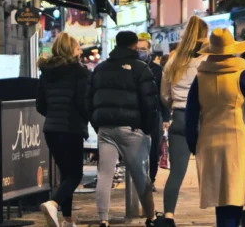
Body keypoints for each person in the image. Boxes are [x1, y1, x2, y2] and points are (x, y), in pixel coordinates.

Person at [186, 29, 245, 227]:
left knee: (220, 202)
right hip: (237, 142)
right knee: (234, 199)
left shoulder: (200, 77)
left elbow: (191, 116)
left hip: (208, 142)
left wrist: (193, 145)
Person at [87, 31, 157, 227]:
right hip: (132, 129)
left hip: (106, 129)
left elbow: (89, 100)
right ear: (134, 45)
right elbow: (150, 102)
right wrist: (147, 128)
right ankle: (151, 217)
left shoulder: (100, 69)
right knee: (140, 175)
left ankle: (103, 219)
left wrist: (97, 123)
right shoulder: (141, 68)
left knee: (104, 174)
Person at [158, 16, 209, 227]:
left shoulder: (172, 62)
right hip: (203, 119)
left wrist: (175, 104)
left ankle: (169, 215)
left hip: (179, 117)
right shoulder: (206, 62)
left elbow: (164, 95)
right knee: (214, 171)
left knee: (177, 173)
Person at [36, 33, 90, 227]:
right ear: (70, 50)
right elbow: (83, 102)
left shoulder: (46, 72)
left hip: (51, 129)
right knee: (75, 175)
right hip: (72, 128)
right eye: (77, 48)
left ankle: (67, 220)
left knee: (66, 174)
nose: (80, 51)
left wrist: (53, 115)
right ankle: (53, 203)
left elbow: (40, 105)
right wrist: (87, 118)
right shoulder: (80, 72)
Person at [137, 33, 168, 191]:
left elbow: (163, 95)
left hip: (154, 115)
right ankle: (140, 179)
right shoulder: (132, 67)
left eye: (143, 49)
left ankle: (151, 179)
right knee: (138, 149)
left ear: (149, 50)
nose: (141, 51)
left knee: (154, 149)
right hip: (136, 115)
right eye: (138, 49)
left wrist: (166, 117)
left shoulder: (157, 70)